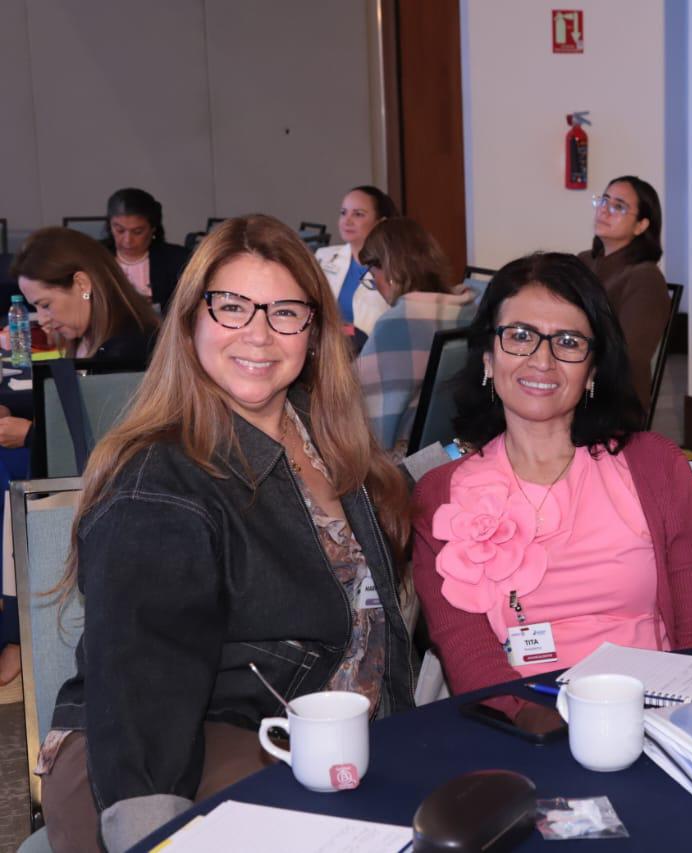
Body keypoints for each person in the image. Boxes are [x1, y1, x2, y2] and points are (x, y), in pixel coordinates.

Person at [38, 215, 416, 852]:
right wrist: (150, 835)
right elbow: (143, 689)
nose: (259, 335)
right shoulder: (158, 486)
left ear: (316, 332)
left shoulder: (329, 448)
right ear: (191, 322)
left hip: (315, 745)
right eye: (233, 307)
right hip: (164, 760)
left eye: (285, 312)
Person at [413, 252, 692, 694]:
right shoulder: (442, 495)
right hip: (523, 732)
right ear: (488, 357)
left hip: (657, 718)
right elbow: (471, 662)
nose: (542, 360)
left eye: (567, 342)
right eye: (521, 335)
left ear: (592, 370)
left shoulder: (655, 466)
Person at [0, 227, 160, 449]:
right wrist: (10, 409)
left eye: (45, 305)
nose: (43, 319)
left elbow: (114, 443)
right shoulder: (90, 336)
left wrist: (31, 436)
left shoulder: (128, 347)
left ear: (82, 284)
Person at [355, 218, 476, 456]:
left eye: (372, 273)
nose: (375, 285)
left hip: (404, 462)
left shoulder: (401, 320)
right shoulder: (466, 308)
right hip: (449, 450)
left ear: (389, 270)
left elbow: (353, 397)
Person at [578, 175, 670, 411]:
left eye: (618, 207)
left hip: (611, 398)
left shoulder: (646, 278)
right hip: (570, 378)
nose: (604, 211)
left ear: (641, 225)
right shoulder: (584, 261)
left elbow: (628, 357)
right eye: (603, 201)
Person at [315, 185, 399, 337]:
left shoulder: (396, 266)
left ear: (380, 222)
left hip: (373, 352)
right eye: (343, 213)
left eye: (358, 214)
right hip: (330, 349)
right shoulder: (323, 257)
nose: (347, 221)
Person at [102, 187, 191, 311]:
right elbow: (84, 297)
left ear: (153, 228)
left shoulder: (177, 259)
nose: (127, 240)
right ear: (109, 226)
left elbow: (187, 307)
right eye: (120, 230)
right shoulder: (94, 256)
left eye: (137, 232)